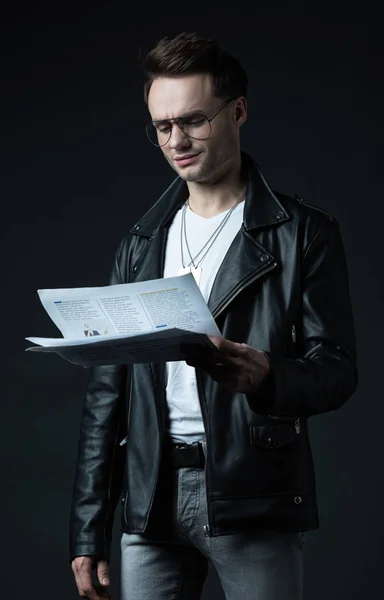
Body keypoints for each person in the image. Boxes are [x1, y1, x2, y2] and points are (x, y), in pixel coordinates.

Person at [69, 32, 357, 600]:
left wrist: (268, 375)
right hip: (149, 496)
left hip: (253, 492)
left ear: (239, 111)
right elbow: (108, 397)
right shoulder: (141, 242)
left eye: (194, 121)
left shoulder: (304, 235)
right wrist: (88, 531)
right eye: (162, 127)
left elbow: (338, 370)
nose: (177, 140)